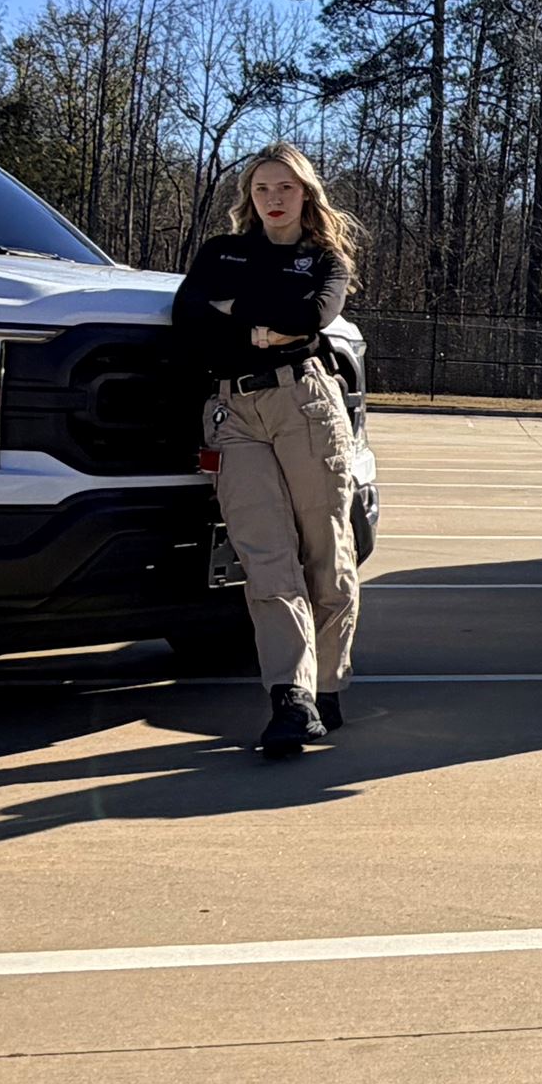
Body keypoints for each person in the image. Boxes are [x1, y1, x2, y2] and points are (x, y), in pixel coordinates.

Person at [173, 145, 364, 760]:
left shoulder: (324, 259)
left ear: (306, 193)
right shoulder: (220, 253)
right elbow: (188, 319)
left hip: (304, 405)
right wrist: (259, 323)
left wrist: (234, 311)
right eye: (262, 189)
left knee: (324, 551)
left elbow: (311, 315)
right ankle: (291, 696)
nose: (274, 198)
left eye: (286, 187)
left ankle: (328, 685)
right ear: (248, 198)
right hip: (234, 415)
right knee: (265, 556)